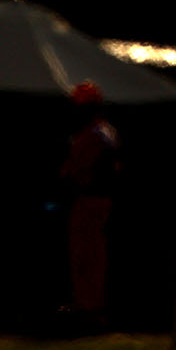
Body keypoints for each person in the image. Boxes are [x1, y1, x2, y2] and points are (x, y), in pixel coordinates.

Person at [60, 80, 120, 328]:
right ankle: (90, 306)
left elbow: (75, 169)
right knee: (92, 257)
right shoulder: (106, 132)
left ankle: (89, 309)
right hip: (99, 200)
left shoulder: (92, 135)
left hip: (89, 201)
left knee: (86, 257)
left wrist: (66, 175)